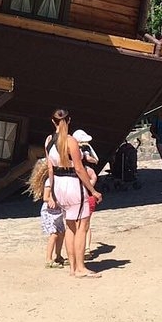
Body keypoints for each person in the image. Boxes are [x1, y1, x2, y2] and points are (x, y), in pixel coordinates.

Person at [47, 109, 103, 278]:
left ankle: (72, 268)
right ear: (69, 120)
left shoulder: (49, 140)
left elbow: (49, 168)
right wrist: (93, 191)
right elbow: (78, 168)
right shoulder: (71, 141)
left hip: (58, 184)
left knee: (70, 226)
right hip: (73, 185)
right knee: (82, 227)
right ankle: (80, 267)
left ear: (53, 121)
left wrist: (51, 192)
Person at [27, 158, 66, 268]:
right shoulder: (50, 181)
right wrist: (51, 200)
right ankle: (48, 259)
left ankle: (58, 256)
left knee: (61, 233)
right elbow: (45, 197)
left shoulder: (59, 180)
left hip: (58, 210)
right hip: (49, 211)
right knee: (53, 234)